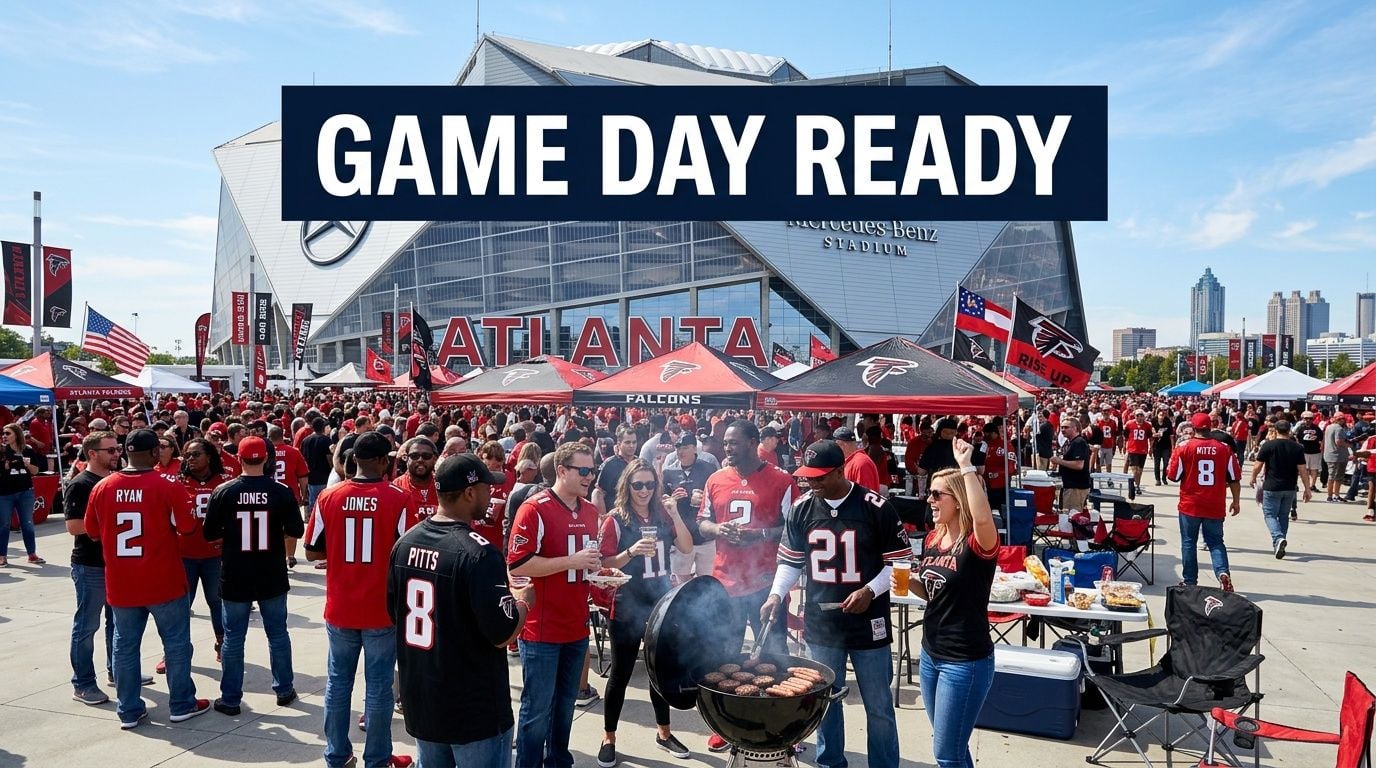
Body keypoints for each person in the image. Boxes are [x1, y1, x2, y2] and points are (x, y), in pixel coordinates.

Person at [763, 440, 908, 768]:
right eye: (808, 477)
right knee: (824, 701)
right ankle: (830, 763)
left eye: (820, 477)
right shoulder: (802, 508)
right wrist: (776, 594)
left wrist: (870, 590)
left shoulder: (875, 507)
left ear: (841, 471)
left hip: (868, 620)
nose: (812, 483)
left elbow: (899, 564)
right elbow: (790, 561)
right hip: (821, 622)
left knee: (879, 705)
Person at [389, 453, 531, 768]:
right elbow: (502, 634)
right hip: (472, 708)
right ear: (469, 493)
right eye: (486, 488)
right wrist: (523, 601)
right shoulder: (479, 553)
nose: (491, 493)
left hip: (423, 698)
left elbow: (393, 615)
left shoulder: (405, 543)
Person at [83, 428, 208, 729]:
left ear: (125, 451)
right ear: (155, 453)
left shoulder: (103, 486)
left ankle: (128, 709)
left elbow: (91, 532)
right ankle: (181, 703)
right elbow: (189, 527)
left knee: (124, 647)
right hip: (163, 579)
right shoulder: (167, 484)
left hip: (123, 583)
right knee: (176, 644)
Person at [303, 431, 413, 768]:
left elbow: (310, 551)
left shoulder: (329, 496)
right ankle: (377, 758)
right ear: (382, 461)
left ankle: (336, 755)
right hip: (381, 607)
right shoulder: (399, 498)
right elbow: (408, 555)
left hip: (340, 605)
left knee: (338, 683)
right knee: (378, 687)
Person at [697, 420, 793, 753]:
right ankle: (727, 725)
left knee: (774, 656)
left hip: (767, 583)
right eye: (725, 443)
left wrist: (760, 535)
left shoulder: (782, 480)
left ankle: (780, 725)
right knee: (724, 657)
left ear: (754, 442)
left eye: (734, 442)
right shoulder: (715, 479)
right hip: (726, 582)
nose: (727, 448)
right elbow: (703, 523)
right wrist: (720, 529)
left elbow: (792, 530)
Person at [508, 441, 603, 768]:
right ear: (562, 471)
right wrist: (570, 560)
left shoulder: (590, 510)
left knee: (565, 705)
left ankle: (558, 761)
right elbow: (517, 564)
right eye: (584, 470)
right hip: (542, 629)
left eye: (592, 470)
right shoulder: (535, 508)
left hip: (577, 623)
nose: (590, 476)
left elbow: (587, 562)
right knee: (537, 708)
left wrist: (596, 569)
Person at [595, 460, 694, 767]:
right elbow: (605, 561)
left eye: (649, 484)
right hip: (627, 601)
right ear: (627, 485)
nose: (644, 490)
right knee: (621, 674)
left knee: (660, 672)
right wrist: (631, 552)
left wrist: (676, 512)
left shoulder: (663, 514)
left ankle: (663, 733)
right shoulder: (615, 519)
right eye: (637, 484)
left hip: (661, 602)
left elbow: (688, 548)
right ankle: (608, 736)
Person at [910, 439, 999, 768]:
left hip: (964, 660)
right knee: (954, 749)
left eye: (937, 495)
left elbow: (984, 520)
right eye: (929, 492)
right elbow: (935, 593)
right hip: (931, 654)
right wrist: (911, 584)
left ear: (959, 501)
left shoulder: (977, 542)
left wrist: (967, 467)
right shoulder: (933, 538)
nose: (929, 500)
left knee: (945, 754)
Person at [203, 436, 303, 715]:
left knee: (234, 637)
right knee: (278, 634)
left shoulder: (224, 491)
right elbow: (297, 529)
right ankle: (284, 689)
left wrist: (230, 536)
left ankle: (231, 697)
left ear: (240, 459)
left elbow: (209, 533)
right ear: (267, 460)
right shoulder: (281, 491)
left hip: (236, 573)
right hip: (270, 573)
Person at [65, 431, 153, 705]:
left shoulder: (115, 481)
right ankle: (83, 683)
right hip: (90, 566)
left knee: (117, 624)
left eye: (118, 449)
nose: (117, 454)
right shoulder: (82, 484)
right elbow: (74, 526)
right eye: (110, 450)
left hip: (116, 566)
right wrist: (111, 528)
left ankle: (118, 671)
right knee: (86, 626)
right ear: (92, 453)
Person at [170, 438, 235, 673]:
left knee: (217, 602)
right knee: (179, 606)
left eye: (196, 454)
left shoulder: (225, 482)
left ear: (209, 456)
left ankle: (222, 644)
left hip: (213, 556)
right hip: (184, 554)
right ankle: (175, 652)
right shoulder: (178, 482)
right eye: (187, 455)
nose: (190, 459)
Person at [1168, 412, 1242, 592]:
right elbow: (1234, 478)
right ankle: (1223, 573)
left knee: (1189, 542)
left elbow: (1173, 476)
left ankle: (1190, 580)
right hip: (1215, 503)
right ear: (1211, 427)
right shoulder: (1224, 448)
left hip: (1190, 503)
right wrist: (1236, 501)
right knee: (1216, 542)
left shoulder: (1185, 446)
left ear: (1193, 428)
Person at [1249, 420, 1311, 559]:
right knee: (1283, 516)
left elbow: (1258, 465)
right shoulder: (1297, 447)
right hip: (1290, 487)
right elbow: (1302, 470)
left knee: (1270, 515)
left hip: (1272, 486)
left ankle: (1278, 538)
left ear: (1276, 430)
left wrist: (1253, 477)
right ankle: (1278, 542)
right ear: (1289, 430)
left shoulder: (1268, 445)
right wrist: (1307, 488)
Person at [661, 433, 715, 583]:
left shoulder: (708, 469)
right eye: (678, 447)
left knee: (707, 583)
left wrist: (703, 497)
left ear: (694, 449)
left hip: (705, 538)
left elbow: (718, 495)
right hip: (681, 538)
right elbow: (661, 501)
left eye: (685, 447)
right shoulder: (669, 472)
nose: (681, 452)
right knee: (680, 584)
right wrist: (672, 500)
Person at [0, 422, 46, 566]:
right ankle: (2, 556)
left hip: (25, 491)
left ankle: (31, 554)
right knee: (4, 525)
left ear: (17, 434)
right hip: (5, 493)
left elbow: (36, 471)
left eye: (8, 433)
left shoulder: (28, 450)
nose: (4, 436)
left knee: (27, 524)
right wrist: (6, 465)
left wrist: (26, 464)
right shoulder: (2, 451)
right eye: (3, 433)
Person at [268, 425, 310, 567]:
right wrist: (304, 495)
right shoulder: (294, 452)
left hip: (271, 495)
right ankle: (290, 555)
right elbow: (303, 477)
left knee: (273, 527)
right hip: (290, 495)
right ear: (282, 436)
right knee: (291, 527)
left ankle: (276, 554)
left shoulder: (267, 452)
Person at [394, 437, 439, 530]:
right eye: (414, 456)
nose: (420, 460)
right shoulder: (397, 486)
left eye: (426, 456)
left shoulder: (444, 485)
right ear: (406, 458)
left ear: (434, 459)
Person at [1050, 418, 1092, 512]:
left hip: (1076, 487)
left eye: (1066, 427)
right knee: (1067, 513)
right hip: (1070, 485)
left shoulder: (1079, 442)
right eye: (1062, 427)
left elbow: (1079, 465)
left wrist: (1059, 461)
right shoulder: (1070, 443)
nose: (1063, 430)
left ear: (1075, 428)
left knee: (1072, 515)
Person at [833, 426, 883, 494]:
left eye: (835, 446)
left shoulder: (860, 463)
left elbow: (864, 496)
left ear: (841, 444)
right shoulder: (853, 461)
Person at [1322, 413, 1351, 503]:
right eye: (1342, 419)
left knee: (1331, 475)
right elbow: (1338, 441)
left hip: (1328, 454)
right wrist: (1348, 445)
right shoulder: (1339, 428)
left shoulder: (1329, 427)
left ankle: (1330, 496)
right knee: (1338, 476)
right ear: (1340, 420)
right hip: (1338, 456)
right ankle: (1335, 495)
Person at [1123, 410, 1153, 493]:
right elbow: (1125, 436)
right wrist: (1125, 446)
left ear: (1144, 416)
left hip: (1143, 450)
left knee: (1140, 470)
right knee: (1134, 469)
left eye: (1141, 416)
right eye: (1137, 416)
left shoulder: (1147, 425)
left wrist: (1151, 448)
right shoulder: (1129, 424)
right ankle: (1135, 485)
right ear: (1135, 416)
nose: (1139, 418)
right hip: (1133, 449)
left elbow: (1150, 437)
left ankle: (1137, 485)